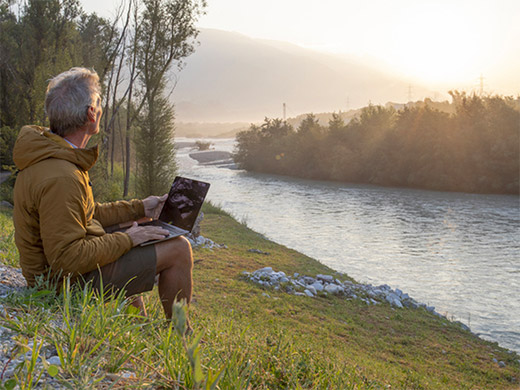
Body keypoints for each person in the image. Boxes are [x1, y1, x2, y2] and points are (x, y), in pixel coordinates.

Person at [12, 67, 193, 320]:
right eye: (99, 102)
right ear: (90, 114)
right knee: (179, 249)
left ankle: (137, 325)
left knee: (134, 228)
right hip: (58, 287)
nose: (100, 108)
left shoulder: (53, 155)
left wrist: (142, 208)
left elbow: (87, 214)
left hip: (58, 276)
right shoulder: (62, 176)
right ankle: (180, 335)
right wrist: (129, 239)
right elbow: (67, 259)